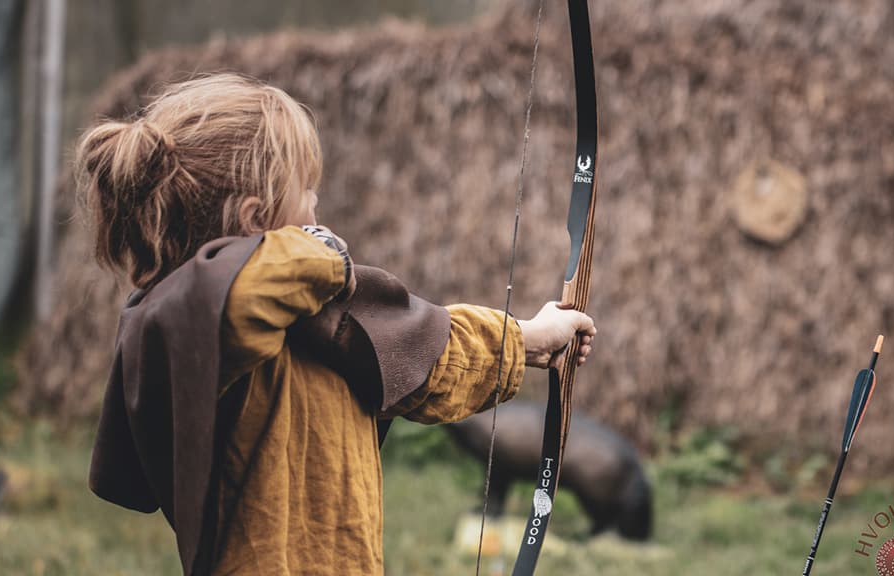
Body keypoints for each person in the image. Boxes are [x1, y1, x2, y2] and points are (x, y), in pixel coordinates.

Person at [78, 74, 595, 576]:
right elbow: (248, 289)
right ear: (255, 217)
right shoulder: (194, 321)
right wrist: (314, 250)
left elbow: (428, 356)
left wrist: (526, 339)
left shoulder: (315, 321)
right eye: (306, 190)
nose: (317, 209)